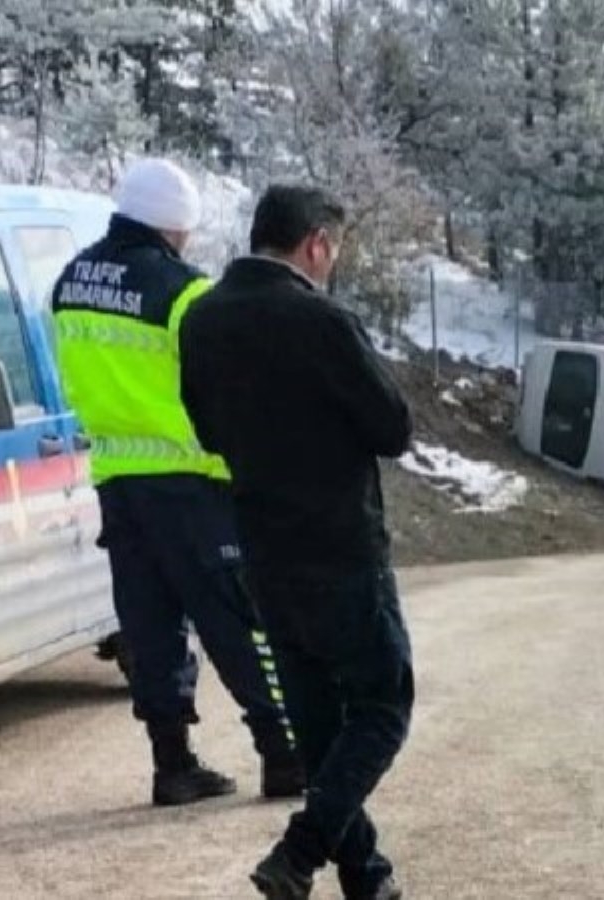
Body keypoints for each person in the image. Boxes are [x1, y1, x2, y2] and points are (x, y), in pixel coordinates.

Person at [180, 185, 413, 900]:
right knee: (382, 705)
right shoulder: (321, 320)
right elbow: (393, 429)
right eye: (334, 252)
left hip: (263, 549)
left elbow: (208, 431)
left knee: (317, 723)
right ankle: (301, 851)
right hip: (340, 548)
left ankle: (366, 877)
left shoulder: (202, 319)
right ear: (315, 243)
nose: (333, 265)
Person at [51, 158, 302, 807]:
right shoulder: (184, 292)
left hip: (116, 479)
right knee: (236, 621)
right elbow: (224, 387)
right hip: (190, 480)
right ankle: (284, 755)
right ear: (175, 226)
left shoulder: (70, 281)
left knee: (150, 624)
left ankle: (173, 765)